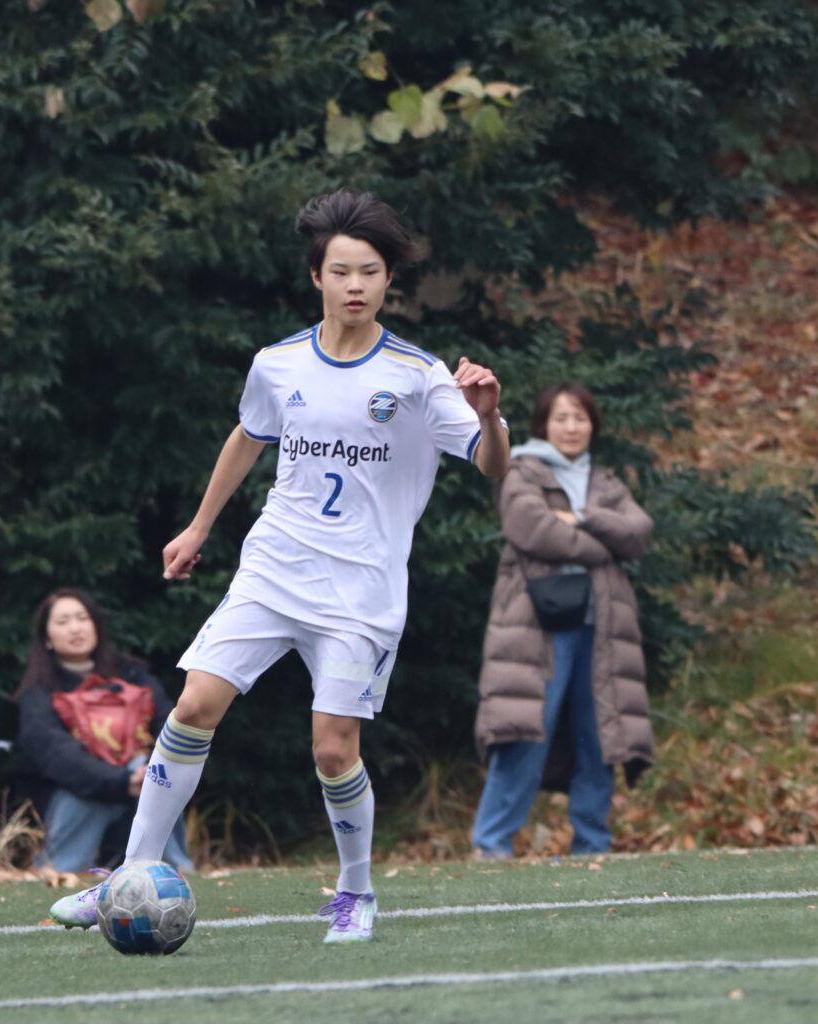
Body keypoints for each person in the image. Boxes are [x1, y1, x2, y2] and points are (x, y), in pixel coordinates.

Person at [48, 189, 510, 944]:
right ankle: (128, 875)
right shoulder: (278, 362)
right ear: (316, 276)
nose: (356, 285)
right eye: (341, 271)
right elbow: (247, 435)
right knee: (193, 706)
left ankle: (354, 895)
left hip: (360, 590)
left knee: (332, 749)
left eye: (370, 272)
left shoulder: (419, 375)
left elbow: (492, 464)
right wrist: (199, 526)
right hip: (274, 569)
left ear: (388, 281)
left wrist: (488, 414)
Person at [470, 382, 655, 859]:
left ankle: (592, 847)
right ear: (543, 425)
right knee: (526, 733)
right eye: (561, 418)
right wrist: (603, 545)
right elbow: (536, 530)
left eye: (580, 418)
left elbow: (638, 533)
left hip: (603, 628)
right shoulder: (520, 471)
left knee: (599, 738)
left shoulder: (606, 482)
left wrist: (585, 517)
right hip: (536, 628)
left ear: (593, 425)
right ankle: (492, 845)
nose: (571, 427)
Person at [15, 587, 192, 874]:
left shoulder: (133, 674)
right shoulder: (39, 693)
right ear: (47, 637)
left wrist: (147, 772)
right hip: (81, 793)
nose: (75, 628)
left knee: (156, 777)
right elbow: (57, 755)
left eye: (82, 618)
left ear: (96, 625)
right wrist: (120, 780)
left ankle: (175, 869)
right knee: (88, 790)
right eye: (63, 622)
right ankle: (61, 870)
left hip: (141, 783)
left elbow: (168, 725)